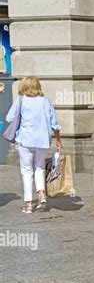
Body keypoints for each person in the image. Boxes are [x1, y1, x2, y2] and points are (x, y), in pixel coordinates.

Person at [5, 76, 62, 214]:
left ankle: (29, 204)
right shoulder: (45, 101)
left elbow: (9, 118)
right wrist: (58, 140)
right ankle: (42, 194)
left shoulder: (20, 100)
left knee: (26, 171)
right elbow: (55, 123)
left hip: (26, 140)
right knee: (39, 168)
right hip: (42, 141)